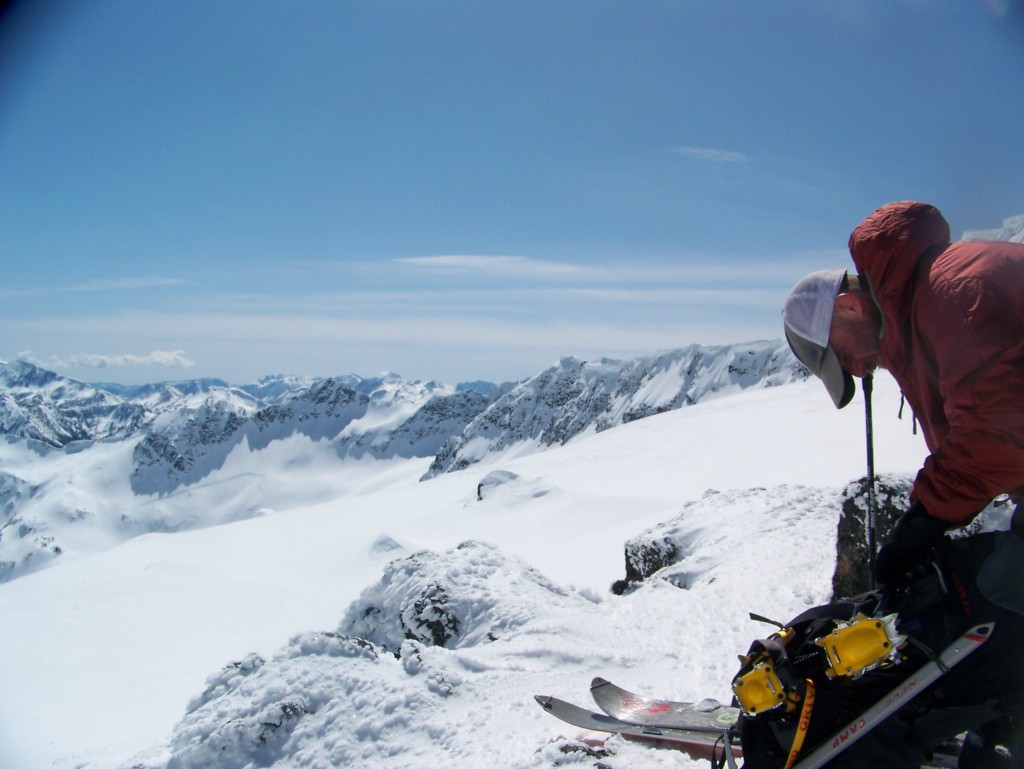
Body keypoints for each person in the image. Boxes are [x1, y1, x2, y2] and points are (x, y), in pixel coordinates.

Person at [775, 200, 1024, 768]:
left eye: (841, 358)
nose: (857, 373)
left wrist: (925, 520)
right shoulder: (919, 321)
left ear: (848, 308)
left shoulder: (953, 292)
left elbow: (997, 431)